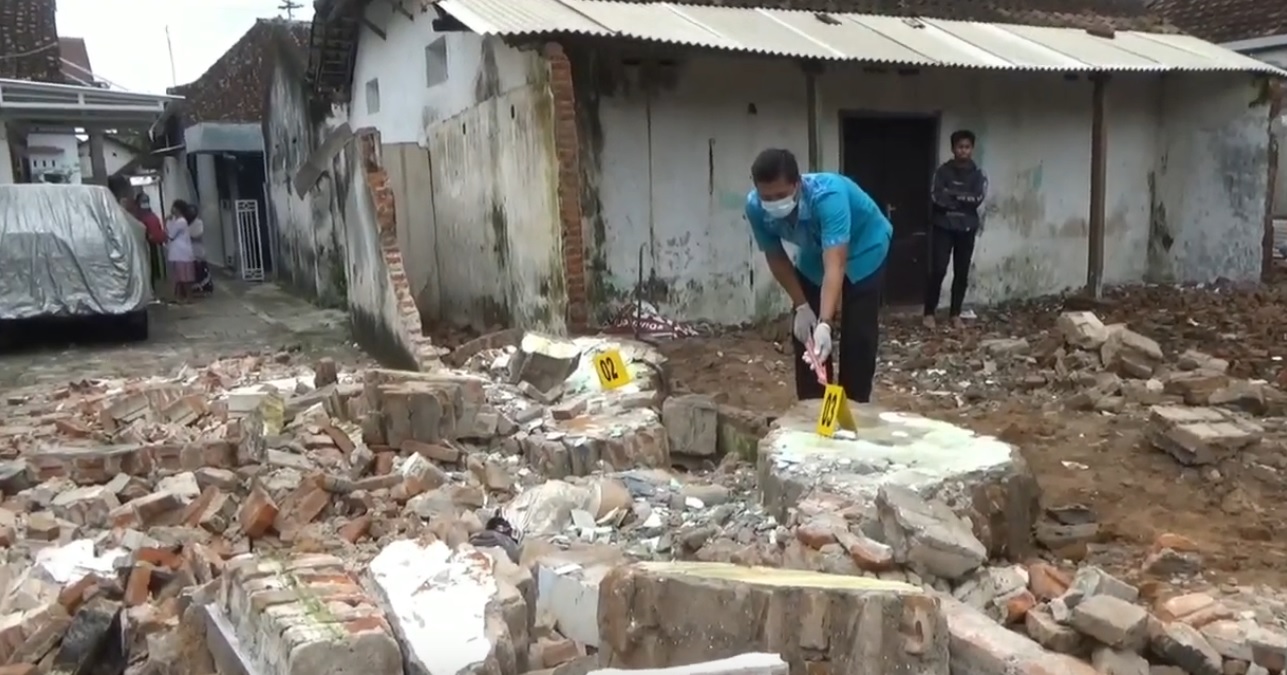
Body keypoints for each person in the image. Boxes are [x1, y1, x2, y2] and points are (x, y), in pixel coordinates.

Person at [745, 148, 892, 404]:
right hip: (814, 252)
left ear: (797, 184)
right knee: (806, 335)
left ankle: (853, 405)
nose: (773, 203)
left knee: (857, 334)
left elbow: (835, 264)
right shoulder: (755, 207)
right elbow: (775, 256)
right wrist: (802, 306)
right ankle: (814, 407)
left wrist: (826, 321)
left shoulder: (828, 196)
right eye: (766, 196)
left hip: (865, 246)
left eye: (781, 195)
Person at [924, 129, 988, 328]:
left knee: (962, 272)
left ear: (972, 149)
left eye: (967, 147)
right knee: (938, 269)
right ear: (953, 149)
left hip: (967, 229)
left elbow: (976, 198)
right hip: (944, 227)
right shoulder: (942, 172)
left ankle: (955, 314)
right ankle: (929, 313)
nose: (964, 151)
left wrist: (952, 195)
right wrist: (960, 199)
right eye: (960, 147)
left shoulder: (978, 174)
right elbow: (937, 197)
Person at [165, 200, 196, 302]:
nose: (172, 209)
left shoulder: (180, 222)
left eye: (173, 207)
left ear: (177, 209)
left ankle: (187, 297)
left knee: (184, 278)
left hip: (181, 254)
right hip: (179, 253)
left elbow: (170, 235)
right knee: (179, 278)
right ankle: (179, 297)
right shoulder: (178, 220)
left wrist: (166, 222)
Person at [135, 194, 167, 291]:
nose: (144, 203)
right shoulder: (146, 215)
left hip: (149, 245)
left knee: (150, 268)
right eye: (143, 201)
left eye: (146, 201)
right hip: (143, 246)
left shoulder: (148, 216)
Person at [183, 203, 214, 294]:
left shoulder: (198, 223)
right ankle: (194, 288)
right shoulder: (184, 223)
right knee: (193, 272)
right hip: (188, 252)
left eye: (192, 212)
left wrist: (186, 236)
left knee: (201, 271)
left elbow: (196, 234)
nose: (190, 214)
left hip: (197, 251)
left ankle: (205, 286)